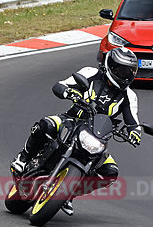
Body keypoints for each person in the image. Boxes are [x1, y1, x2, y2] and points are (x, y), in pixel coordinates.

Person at [10, 47, 142, 216]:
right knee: (46, 124)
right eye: (122, 71)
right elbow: (60, 85)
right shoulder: (90, 73)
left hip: (97, 136)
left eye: (130, 72)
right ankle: (23, 157)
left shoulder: (129, 96)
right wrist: (67, 91)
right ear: (110, 66)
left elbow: (133, 122)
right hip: (71, 121)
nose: (126, 76)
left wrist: (135, 133)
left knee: (110, 171)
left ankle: (69, 193)